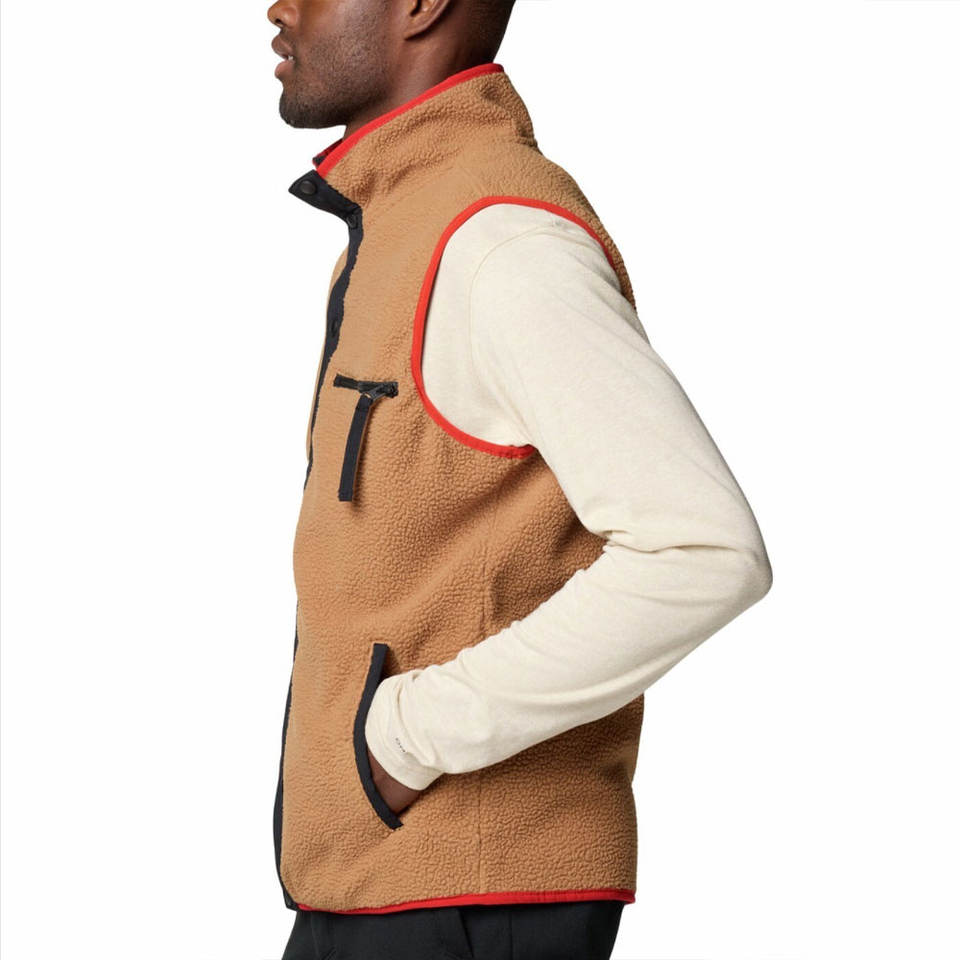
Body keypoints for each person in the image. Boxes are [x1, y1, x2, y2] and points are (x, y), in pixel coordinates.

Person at [265, 1, 773, 957]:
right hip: (381, 879)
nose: (279, 7)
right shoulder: (407, 221)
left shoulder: (498, 240)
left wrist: (405, 738)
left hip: (468, 894)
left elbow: (703, 550)